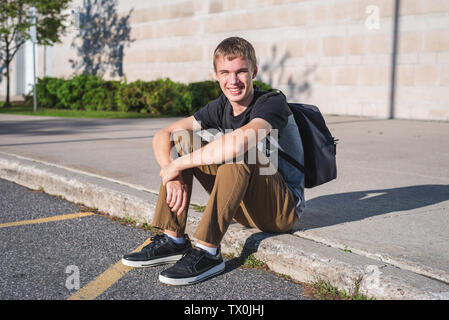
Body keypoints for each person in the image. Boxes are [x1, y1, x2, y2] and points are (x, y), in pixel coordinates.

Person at [121, 36, 305, 286]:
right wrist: (169, 170)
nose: (233, 80)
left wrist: (179, 164)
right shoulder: (220, 106)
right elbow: (164, 134)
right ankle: (173, 239)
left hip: (281, 211)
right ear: (216, 75)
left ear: (254, 72)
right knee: (185, 138)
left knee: (239, 151)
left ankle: (208, 252)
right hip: (244, 207)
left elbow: (240, 143)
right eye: (226, 72)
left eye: (241, 71)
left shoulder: (271, 103)